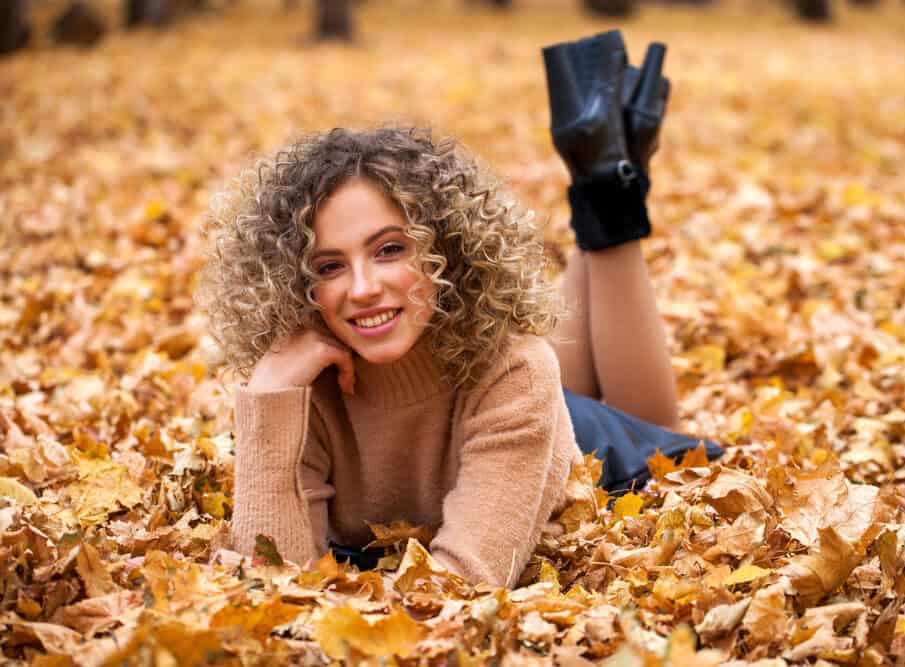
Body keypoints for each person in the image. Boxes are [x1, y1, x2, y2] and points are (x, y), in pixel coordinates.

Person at [197, 30, 721, 589]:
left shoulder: (517, 370)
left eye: (390, 249)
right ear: (296, 282)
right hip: (498, 411)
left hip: (566, 444)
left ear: (444, 249)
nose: (364, 287)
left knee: (652, 433)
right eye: (329, 266)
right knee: (542, 376)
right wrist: (269, 399)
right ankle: (603, 174)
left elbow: (464, 584)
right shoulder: (301, 387)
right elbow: (270, 588)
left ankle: (609, 190)